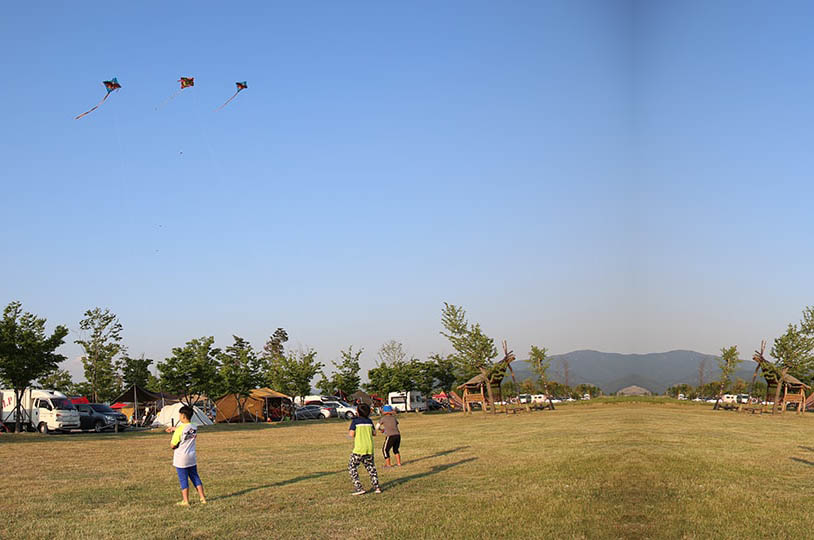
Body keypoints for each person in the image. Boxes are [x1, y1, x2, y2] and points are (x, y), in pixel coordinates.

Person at [170, 405, 207, 506]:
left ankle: (185, 501)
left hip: (181, 458)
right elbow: (186, 429)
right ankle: (203, 498)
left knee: (183, 479)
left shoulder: (179, 430)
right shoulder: (194, 426)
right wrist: (175, 429)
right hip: (191, 457)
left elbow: (172, 445)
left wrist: (176, 431)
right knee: (195, 477)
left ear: (183, 416)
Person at [347, 403, 381, 495]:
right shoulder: (369, 421)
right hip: (369, 449)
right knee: (371, 468)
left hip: (359, 450)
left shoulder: (355, 421)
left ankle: (359, 488)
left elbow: (351, 434)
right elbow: (374, 433)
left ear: (357, 412)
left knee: (352, 467)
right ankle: (377, 487)